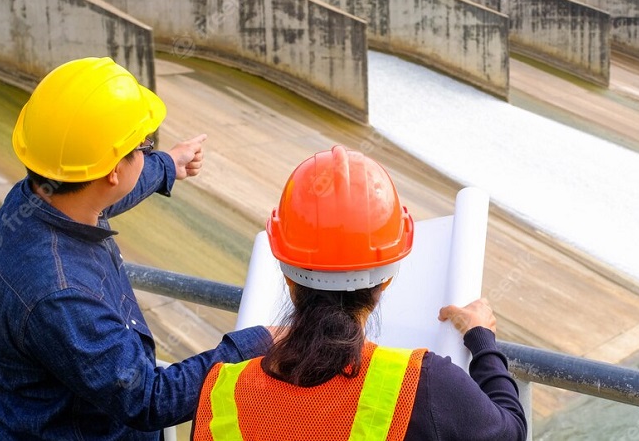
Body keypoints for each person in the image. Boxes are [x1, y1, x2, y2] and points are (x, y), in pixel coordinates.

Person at [0, 57, 274, 440]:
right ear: (111, 170)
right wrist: (259, 343)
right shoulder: (63, 297)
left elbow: (104, 194)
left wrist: (169, 164)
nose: (147, 153)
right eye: (143, 145)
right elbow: (148, 398)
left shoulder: (34, 199)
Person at [192, 145, 527, 441]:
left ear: (288, 278)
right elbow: (510, 431)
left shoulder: (221, 391)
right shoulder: (423, 384)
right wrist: (482, 340)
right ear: (385, 282)